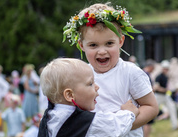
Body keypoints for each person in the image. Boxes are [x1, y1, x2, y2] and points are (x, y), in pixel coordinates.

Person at [62, 3, 159, 136]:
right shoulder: (80, 76)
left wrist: (121, 127)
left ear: (120, 41)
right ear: (81, 45)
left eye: (109, 43)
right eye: (93, 45)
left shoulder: (130, 72)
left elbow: (151, 107)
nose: (102, 51)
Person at [38, 58, 139, 137]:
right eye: (90, 83)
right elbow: (116, 126)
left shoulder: (47, 119)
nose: (97, 87)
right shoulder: (86, 122)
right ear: (69, 95)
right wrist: (129, 113)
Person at [154, 60, 178, 130]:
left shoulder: (166, 77)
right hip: (158, 96)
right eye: (165, 69)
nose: (166, 70)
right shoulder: (158, 77)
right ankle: (147, 125)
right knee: (153, 110)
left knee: (172, 108)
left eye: (167, 69)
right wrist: (166, 90)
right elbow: (157, 87)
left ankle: (175, 125)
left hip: (165, 96)